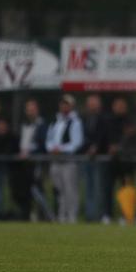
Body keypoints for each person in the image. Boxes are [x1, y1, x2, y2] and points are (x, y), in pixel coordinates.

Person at [46, 94, 84, 223]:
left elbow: (76, 143)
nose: (64, 106)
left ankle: (72, 216)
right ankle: (62, 215)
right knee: (59, 190)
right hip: (55, 160)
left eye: (67, 104)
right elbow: (49, 139)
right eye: (62, 104)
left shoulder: (75, 122)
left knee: (70, 189)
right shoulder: (55, 121)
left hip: (68, 160)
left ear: (71, 106)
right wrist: (52, 148)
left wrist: (60, 148)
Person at [80, 94, 109, 222]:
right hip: (87, 157)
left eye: (94, 103)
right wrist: (88, 148)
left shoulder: (104, 119)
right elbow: (82, 136)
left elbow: (103, 135)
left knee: (99, 188)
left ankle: (100, 215)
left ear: (99, 104)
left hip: (100, 158)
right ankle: (90, 216)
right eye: (90, 103)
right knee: (88, 188)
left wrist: (96, 147)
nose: (92, 105)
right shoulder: (83, 119)